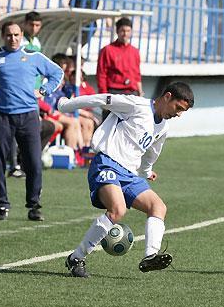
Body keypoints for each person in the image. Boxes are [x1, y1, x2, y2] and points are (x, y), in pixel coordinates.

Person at [59, 82, 195, 278]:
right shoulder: (136, 105)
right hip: (107, 163)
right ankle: (77, 258)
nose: (178, 114)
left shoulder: (163, 126)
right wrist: (65, 105)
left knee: (158, 207)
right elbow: (102, 99)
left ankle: (150, 256)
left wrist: (147, 171)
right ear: (167, 97)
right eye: (178, 108)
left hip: (129, 174)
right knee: (118, 210)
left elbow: (152, 152)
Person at [0, 21, 64, 221]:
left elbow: (57, 73)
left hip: (29, 116)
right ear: (3, 36)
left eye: (16, 35)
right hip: (2, 117)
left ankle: (34, 206)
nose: (13, 38)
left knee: (34, 163)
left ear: (21, 35)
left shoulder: (34, 56)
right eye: (9, 35)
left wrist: (44, 90)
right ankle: (1, 206)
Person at [9, 11, 46, 178]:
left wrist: (41, 88)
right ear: (25, 24)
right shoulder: (19, 42)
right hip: (19, 93)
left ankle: (26, 164)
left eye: (38, 25)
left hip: (33, 94)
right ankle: (14, 165)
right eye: (32, 24)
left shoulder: (36, 42)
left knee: (31, 130)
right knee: (15, 130)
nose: (34, 28)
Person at [96, 17, 144, 96]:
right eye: (123, 31)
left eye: (128, 31)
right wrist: (103, 95)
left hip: (132, 92)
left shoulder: (135, 51)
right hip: (114, 92)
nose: (125, 34)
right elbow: (101, 75)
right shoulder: (107, 50)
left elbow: (137, 74)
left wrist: (140, 91)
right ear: (117, 31)